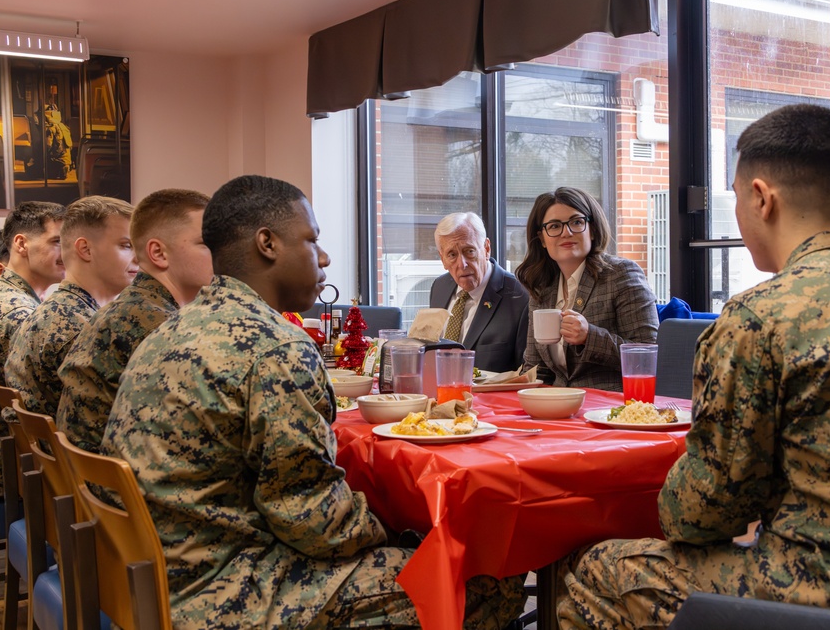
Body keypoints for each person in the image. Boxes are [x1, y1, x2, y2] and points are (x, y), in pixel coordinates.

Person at [556, 105, 830, 628]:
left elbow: (698, 516)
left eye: (736, 198)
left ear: (761, 198)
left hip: (829, 597)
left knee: (598, 568)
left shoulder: (757, 318)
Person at [102, 175, 525, 628]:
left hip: (148, 579)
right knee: (486, 574)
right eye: (312, 240)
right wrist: (405, 529)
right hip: (220, 594)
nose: (324, 257)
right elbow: (315, 521)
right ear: (267, 244)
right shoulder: (275, 346)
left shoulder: (172, 328)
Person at [57, 189, 212, 452]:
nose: (223, 254)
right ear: (158, 253)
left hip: (94, 471)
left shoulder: (135, 307)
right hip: (117, 474)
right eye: (206, 243)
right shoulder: (157, 326)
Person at [515, 187, 658, 391]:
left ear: (592, 229)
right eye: (554, 226)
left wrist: (590, 337)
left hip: (610, 403)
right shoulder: (542, 286)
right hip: (556, 403)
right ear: (542, 239)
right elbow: (535, 370)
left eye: (576, 222)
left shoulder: (621, 274)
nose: (566, 232)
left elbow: (648, 355)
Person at [5, 196, 136, 418]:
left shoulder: (58, 310)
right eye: (126, 245)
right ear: (85, 249)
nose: (140, 257)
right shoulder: (81, 329)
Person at [0, 201, 65, 498]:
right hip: (11, 468)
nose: (67, 252)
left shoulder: (4, 297)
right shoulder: (19, 314)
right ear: (21, 244)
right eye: (57, 242)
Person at [430, 212, 529, 373]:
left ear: (486, 248)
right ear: (443, 259)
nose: (462, 264)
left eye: (469, 251)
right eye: (452, 255)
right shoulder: (439, 287)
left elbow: (527, 373)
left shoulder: (520, 297)